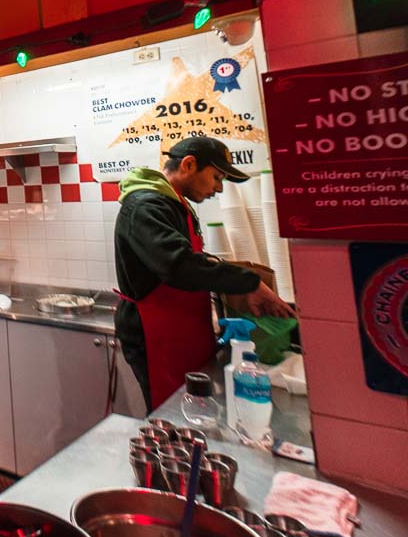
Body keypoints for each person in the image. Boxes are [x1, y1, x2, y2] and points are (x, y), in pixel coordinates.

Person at [114, 137, 295, 412]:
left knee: (191, 410)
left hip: (178, 329)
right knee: (172, 414)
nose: (219, 188)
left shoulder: (172, 203)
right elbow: (178, 265)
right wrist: (249, 283)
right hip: (155, 337)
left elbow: (191, 260)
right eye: (216, 177)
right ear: (188, 165)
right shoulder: (146, 206)